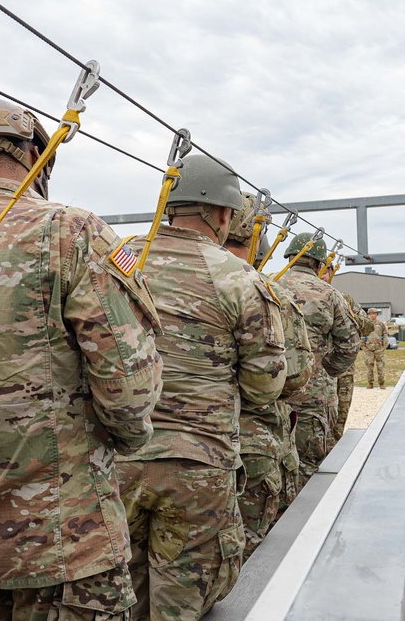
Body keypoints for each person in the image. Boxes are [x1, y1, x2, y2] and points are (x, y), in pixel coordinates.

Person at [0, 98, 165, 619]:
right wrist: (130, 439)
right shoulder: (73, 231)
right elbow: (129, 386)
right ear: (34, 153)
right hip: (68, 542)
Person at [117, 155, 287, 621]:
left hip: (117, 461)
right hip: (199, 466)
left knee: (118, 599)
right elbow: (265, 385)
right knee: (182, 603)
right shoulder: (239, 278)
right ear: (224, 215)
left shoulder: (119, 258)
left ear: (169, 205)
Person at [223, 192, 312, 559]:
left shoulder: (141, 270)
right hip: (249, 447)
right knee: (245, 557)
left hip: (147, 451)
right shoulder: (263, 291)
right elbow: (294, 378)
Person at [277, 232, 360, 486]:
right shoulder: (330, 294)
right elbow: (350, 343)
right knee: (309, 465)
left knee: (272, 463)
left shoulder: (267, 283)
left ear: (290, 256)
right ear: (318, 263)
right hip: (313, 397)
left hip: (270, 393)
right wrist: (326, 369)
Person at [333, 288, 373, 440]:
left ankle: (334, 452)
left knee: (341, 412)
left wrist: (350, 314)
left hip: (343, 368)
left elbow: (368, 327)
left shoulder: (344, 298)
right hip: (315, 372)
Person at [363, 308, 389, 388]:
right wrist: (363, 346)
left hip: (379, 348)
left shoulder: (381, 324)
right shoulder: (366, 324)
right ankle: (370, 383)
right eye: (370, 314)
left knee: (380, 366)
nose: (372, 315)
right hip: (369, 349)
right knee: (369, 367)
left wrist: (384, 345)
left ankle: (381, 383)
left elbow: (385, 334)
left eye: (374, 313)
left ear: (376, 314)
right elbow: (362, 335)